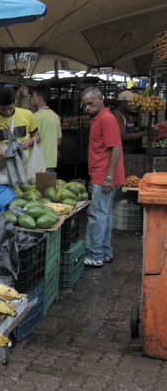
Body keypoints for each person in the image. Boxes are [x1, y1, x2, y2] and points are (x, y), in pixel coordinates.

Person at [82, 87, 124, 268]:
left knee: (97, 215)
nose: (88, 108)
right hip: (102, 175)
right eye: (85, 105)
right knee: (104, 215)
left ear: (101, 99)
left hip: (105, 176)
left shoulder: (107, 119)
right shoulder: (101, 119)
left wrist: (108, 177)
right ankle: (105, 252)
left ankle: (95, 254)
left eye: (91, 104)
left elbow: (116, 147)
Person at [0, 86, 40, 152]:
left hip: (25, 161)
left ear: (15, 100)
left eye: (10, 108)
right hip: (1, 161)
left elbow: (37, 136)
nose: (7, 112)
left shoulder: (27, 115)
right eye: (3, 109)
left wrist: (30, 141)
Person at [112, 90, 159, 155]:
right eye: (130, 102)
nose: (132, 105)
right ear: (122, 102)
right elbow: (124, 136)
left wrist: (141, 129)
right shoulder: (117, 115)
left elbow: (129, 130)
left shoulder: (126, 115)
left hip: (129, 152)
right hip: (122, 154)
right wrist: (146, 132)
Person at [28, 84, 61, 172]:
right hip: (52, 162)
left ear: (40, 98)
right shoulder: (55, 116)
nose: (31, 98)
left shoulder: (36, 116)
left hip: (39, 162)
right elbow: (58, 141)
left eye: (33, 96)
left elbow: (34, 138)